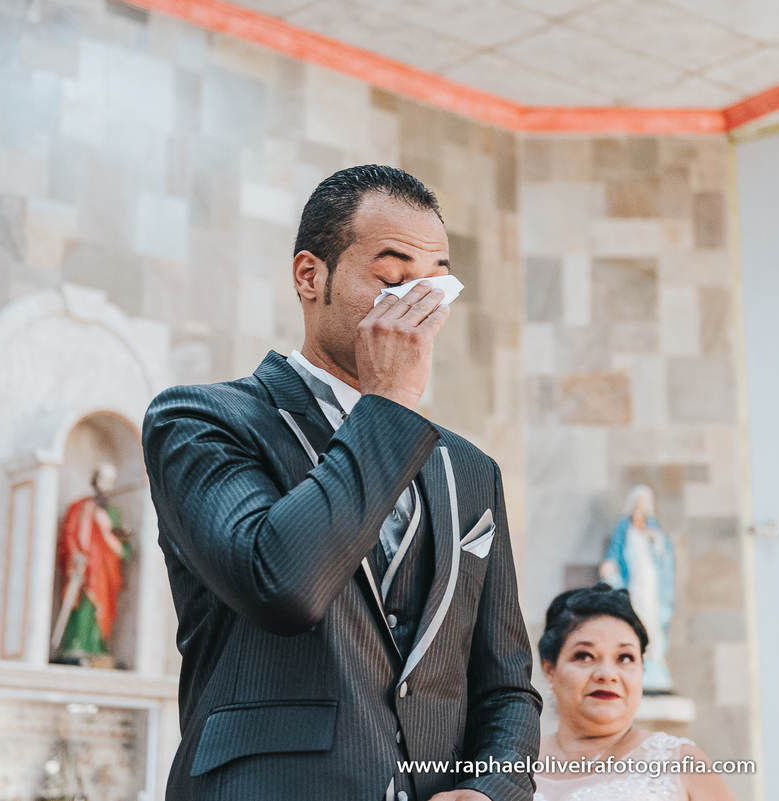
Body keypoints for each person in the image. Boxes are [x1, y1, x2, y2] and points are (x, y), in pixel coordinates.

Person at [143, 165, 541, 800]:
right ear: (310, 276)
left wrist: (492, 790)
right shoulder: (200, 421)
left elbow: (506, 686)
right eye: (393, 280)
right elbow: (282, 585)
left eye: (435, 283)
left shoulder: (471, 471)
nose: (417, 307)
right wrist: (389, 403)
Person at [535, 585, 736, 801]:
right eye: (585, 656)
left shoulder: (681, 763)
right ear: (550, 669)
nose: (607, 674)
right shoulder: (513, 765)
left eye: (625, 658)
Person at [52, 463, 131, 668]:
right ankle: (74, 647)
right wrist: (76, 557)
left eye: (111, 482)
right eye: (103, 480)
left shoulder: (112, 513)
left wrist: (109, 531)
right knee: (81, 607)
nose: (106, 486)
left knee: (100, 611)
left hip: (104, 571)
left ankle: (96, 649)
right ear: (95, 480)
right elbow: (69, 535)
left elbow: (121, 548)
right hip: (83, 569)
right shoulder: (79, 508)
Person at [599, 486, 675, 692]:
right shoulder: (625, 526)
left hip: (651, 582)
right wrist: (609, 564)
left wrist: (656, 540)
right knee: (634, 617)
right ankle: (635, 657)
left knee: (651, 619)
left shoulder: (653, 526)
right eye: (638, 502)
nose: (641, 506)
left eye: (644, 502)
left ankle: (653, 660)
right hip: (632, 582)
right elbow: (615, 550)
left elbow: (664, 554)